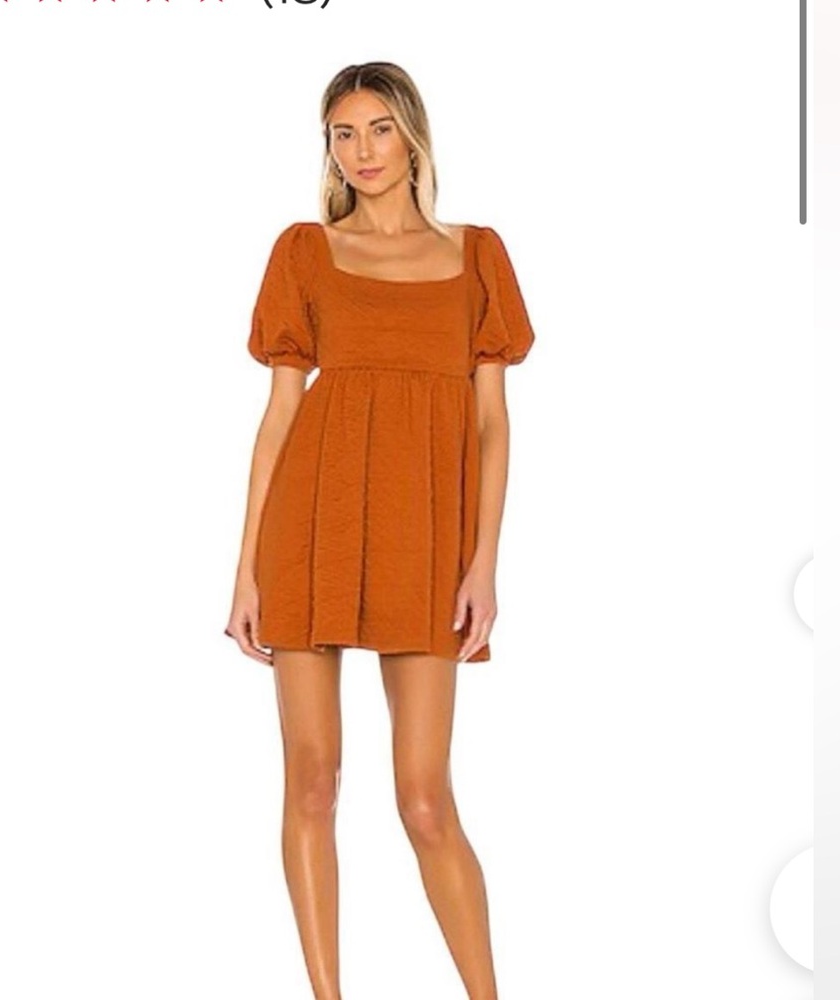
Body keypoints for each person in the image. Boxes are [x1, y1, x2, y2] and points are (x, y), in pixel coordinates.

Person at [224, 61, 535, 1000]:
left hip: (427, 533)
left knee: (425, 799)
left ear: (413, 136)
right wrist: (246, 571)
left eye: (378, 129)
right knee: (313, 782)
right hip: (312, 523)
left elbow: (492, 423)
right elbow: (280, 416)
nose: (361, 151)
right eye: (342, 134)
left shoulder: (477, 254)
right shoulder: (304, 251)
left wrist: (483, 560)